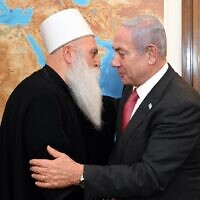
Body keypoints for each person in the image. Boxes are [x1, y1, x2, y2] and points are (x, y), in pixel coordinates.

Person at [30, 15, 200, 200]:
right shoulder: (131, 88)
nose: (114, 62)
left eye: (122, 53)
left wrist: (78, 174)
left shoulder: (181, 104)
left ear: (151, 54)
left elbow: (150, 176)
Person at [0, 8, 117, 200]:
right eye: (93, 53)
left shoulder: (57, 91)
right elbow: (52, 185)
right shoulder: (41, 99)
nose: (98, 62)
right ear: (69, 54)